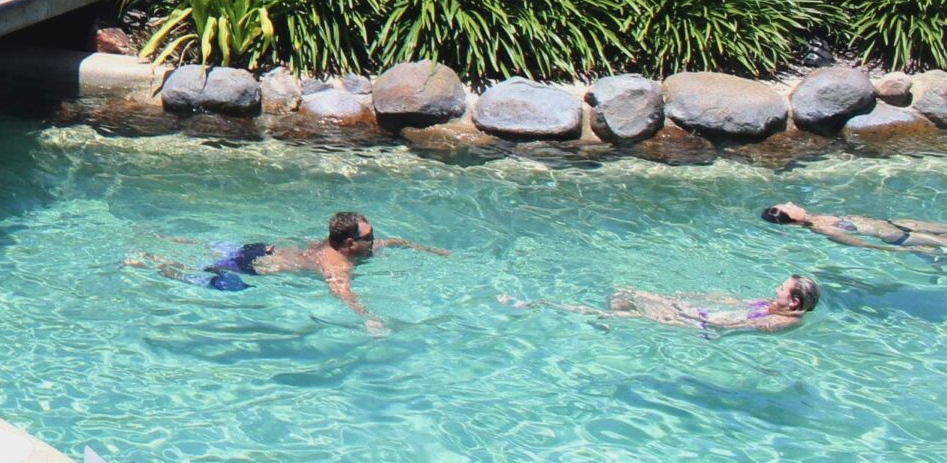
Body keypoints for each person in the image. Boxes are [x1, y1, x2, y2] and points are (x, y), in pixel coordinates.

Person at [132, 212, 445, 336]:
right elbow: (342, 292)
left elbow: (394, 242)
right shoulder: (335, 264)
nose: (375, 240)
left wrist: (429, 250)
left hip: (262, 249)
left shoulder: (337, 245)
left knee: (207, 247)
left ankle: (157, 238)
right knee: (193, 275)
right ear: (350, 244)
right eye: (369, 237)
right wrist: (368, 316)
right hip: (252, 267)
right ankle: (148, 260)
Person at [512, 275, 818, 336]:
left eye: (782, 288)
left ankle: (541, 304)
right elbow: (736, 305)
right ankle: (612, 321)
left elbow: (739, 324)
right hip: (698, 312)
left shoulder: (786, 321)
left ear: (793, 301)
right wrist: (687, 298)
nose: (775, 288)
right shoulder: (772, 305)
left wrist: (686, 313)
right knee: (627, 289)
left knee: (615, 311)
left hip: (696, 324)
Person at [761, 202, 947, 254]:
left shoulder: (817, 217)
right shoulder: (822, 229)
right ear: (793, 219)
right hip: (894, 235)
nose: (791, 202)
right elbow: (860, 244)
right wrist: (895, 249)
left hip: (895, 223)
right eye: (788, 207)